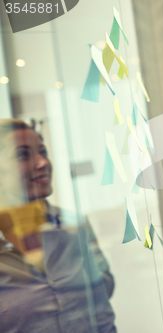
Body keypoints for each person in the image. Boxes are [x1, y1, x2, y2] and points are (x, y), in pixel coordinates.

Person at [0, 119, 116, 332]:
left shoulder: (74, 225)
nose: (43, 162)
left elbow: (103, 297)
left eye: (42, 152)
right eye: (23, 155)